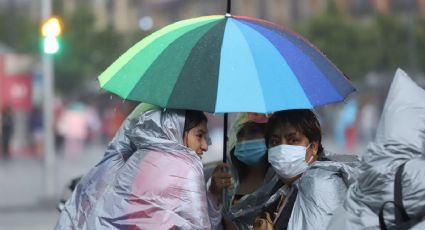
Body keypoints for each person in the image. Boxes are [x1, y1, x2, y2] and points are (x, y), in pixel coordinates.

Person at [56, 104, 211, 229]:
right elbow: (198, 224)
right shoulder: (186, 167)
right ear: (175, 129)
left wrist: (215, 194)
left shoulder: (140, 160)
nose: (205, 145)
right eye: (199, 135)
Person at [253, 109, 355, 230]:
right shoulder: (284, 186)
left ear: (313, 146)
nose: (282, 149)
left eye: (293, 140)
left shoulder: (319, 185)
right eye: (275, 142)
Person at [208, 114, 281, 229]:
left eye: (253, 131)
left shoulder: (281, 184)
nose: (245, 140)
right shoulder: (226, 180)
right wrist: (214, 193)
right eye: (240, 134)